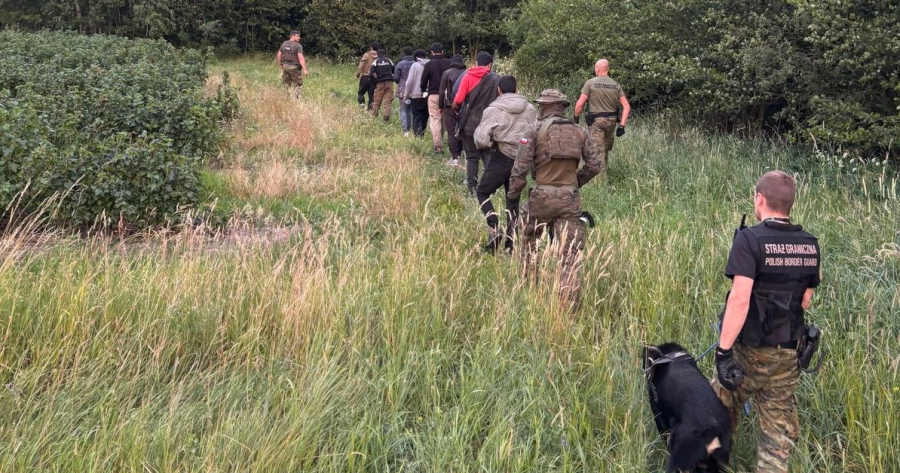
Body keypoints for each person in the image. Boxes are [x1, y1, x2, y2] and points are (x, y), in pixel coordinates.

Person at [712, 170, 821, 473]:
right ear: (790, 203)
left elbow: (739, 299)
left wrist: (723, 352)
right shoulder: (810, 244)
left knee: (717, 419)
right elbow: (805, 299)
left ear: (759, 199)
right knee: (776, 441)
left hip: (747, 353)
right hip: (787, 355)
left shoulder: (750, 240)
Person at [508, 89, 601, 310]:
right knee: (569, 253)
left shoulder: (533, 130)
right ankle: (568, 305)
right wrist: (576, 182)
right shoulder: (580, 132)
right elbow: (595, 165)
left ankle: (529, 291)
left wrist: (512, 195)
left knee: (530, 243)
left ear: (543, 107)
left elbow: (519, 169)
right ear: (562, 107)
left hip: (540, 197)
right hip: (569, 199)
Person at [473, 75, 536, 252]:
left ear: (499, 90)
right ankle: (510, 245)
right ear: (516, 89)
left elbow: (480, 139)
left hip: (501, 157)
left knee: (483, 191)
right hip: (522, 161)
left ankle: (494, 227)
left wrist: (492, 143)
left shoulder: (493, 109)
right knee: (513, 200)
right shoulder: (530, 109)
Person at [452, 51, 499, 196]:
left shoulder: (468, 76)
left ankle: (472, 189)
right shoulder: (496, 79)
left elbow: (458, 100)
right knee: (488, 156)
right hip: (489, 125)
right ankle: (489, 189)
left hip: (470, 125)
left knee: (472, 157)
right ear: (490, 65)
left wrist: (456, 110)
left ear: (476, 63)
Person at [573, 58, 630, 175]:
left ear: (597, 69)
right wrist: (622, 126)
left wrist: (576, 118)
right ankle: (603, 174)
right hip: (612, 122)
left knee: (597, 152)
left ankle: (600, 183)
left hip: (596, 123)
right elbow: (626, 106)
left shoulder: (590, 83)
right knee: (604, 150)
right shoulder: (616, 85)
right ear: (608, 69)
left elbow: (579, 104)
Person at [420, 43, 452, 154]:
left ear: (432, 52)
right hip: (448, 95)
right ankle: (447, 142)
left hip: (434, 94)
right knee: (444, 120)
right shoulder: (449, 63)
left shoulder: (429, 64)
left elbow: (423, 80)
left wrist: (423, 90)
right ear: (442, 51)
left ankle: (438, 146)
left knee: (435, 119)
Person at [439, 54, 466, 166]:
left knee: (451, 132)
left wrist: (441, 106)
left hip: (450, 106)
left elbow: (441, 92)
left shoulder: (447, 73)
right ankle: (465, 154)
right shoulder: (467, 73)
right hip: (464, 107)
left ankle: (455, 157)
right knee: (463, 131)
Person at [404, 49, 430, 138]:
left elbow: (409, 82)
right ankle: (422, 132)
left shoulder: (415, 65)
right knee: (425, 116)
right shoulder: (430, 64)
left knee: (416, 116)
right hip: (428, 95)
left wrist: (406, 95)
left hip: (416, 96)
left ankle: (418, 136)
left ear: (416, 57)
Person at [276, 30, 308, 100]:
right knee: (297, 85)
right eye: (297, 36)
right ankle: (297, 100)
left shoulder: (284, 44)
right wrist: (305, 69)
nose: (299, 38)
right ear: (292, 36)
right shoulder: (298, 46)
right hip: (295, 68)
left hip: (285, 67)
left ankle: (286, 98)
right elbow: (301, 57)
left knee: (286, 84)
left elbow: (279, 55)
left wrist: (281, 64)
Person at [393, 47, 415, 136]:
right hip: (414, 91)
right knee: (411, 110)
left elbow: (396, 78)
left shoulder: (400, 64)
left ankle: (406, 130)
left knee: (403, 110)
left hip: (403, 91)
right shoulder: (415, 64)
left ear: (404, 53)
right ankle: (413, 128)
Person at [369, 49, 395, 121]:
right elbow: (394, 70)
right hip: (389, 82)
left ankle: (374, 115)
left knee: (377, 100)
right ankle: (386, 116)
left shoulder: (375, 62)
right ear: (384, 54)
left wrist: (374, 82)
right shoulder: (389, 61)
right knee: (387, 101)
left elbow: (371, 74)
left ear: (377, 54)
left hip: (379, 83)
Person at [356, 42, 379, 110]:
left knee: (361, 93)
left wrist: (358, 74)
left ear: (371, 47)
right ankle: (370, 110)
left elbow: (361, 65)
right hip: (374, 78)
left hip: (365, 77)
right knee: (372, 96)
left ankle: (362, 103)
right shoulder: (379, 57)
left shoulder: (366, 55)